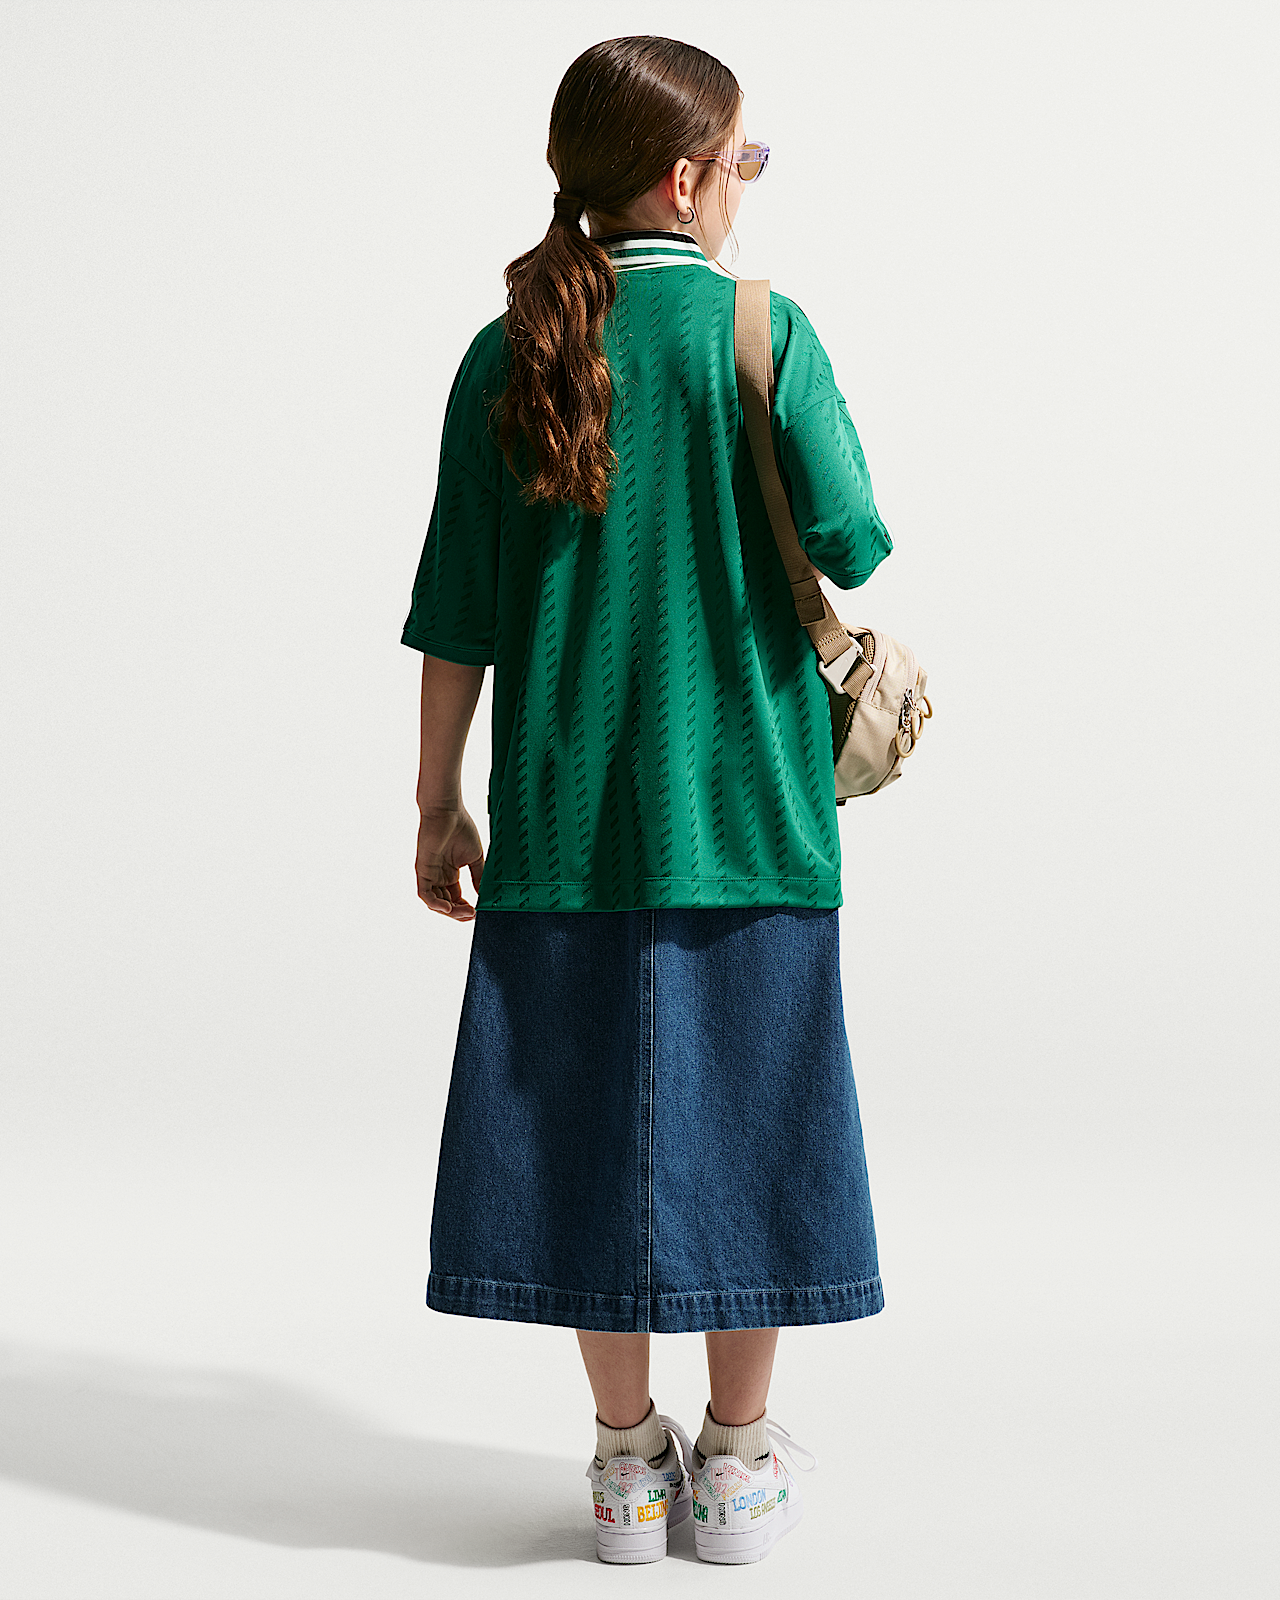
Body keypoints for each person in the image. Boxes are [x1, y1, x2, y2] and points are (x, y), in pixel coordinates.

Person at [402, 35, 893, 1566]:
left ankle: (626, 1467)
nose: (746, 186)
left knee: (575, 1133)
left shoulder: (510, 351)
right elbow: (855, 541)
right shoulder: (761, 329)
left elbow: (457, 613)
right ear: (686, 179)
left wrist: (436, 804)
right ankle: (734, 1466)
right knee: (757, 1130)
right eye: (742, 161)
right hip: (752, 818)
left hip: (560, 828)